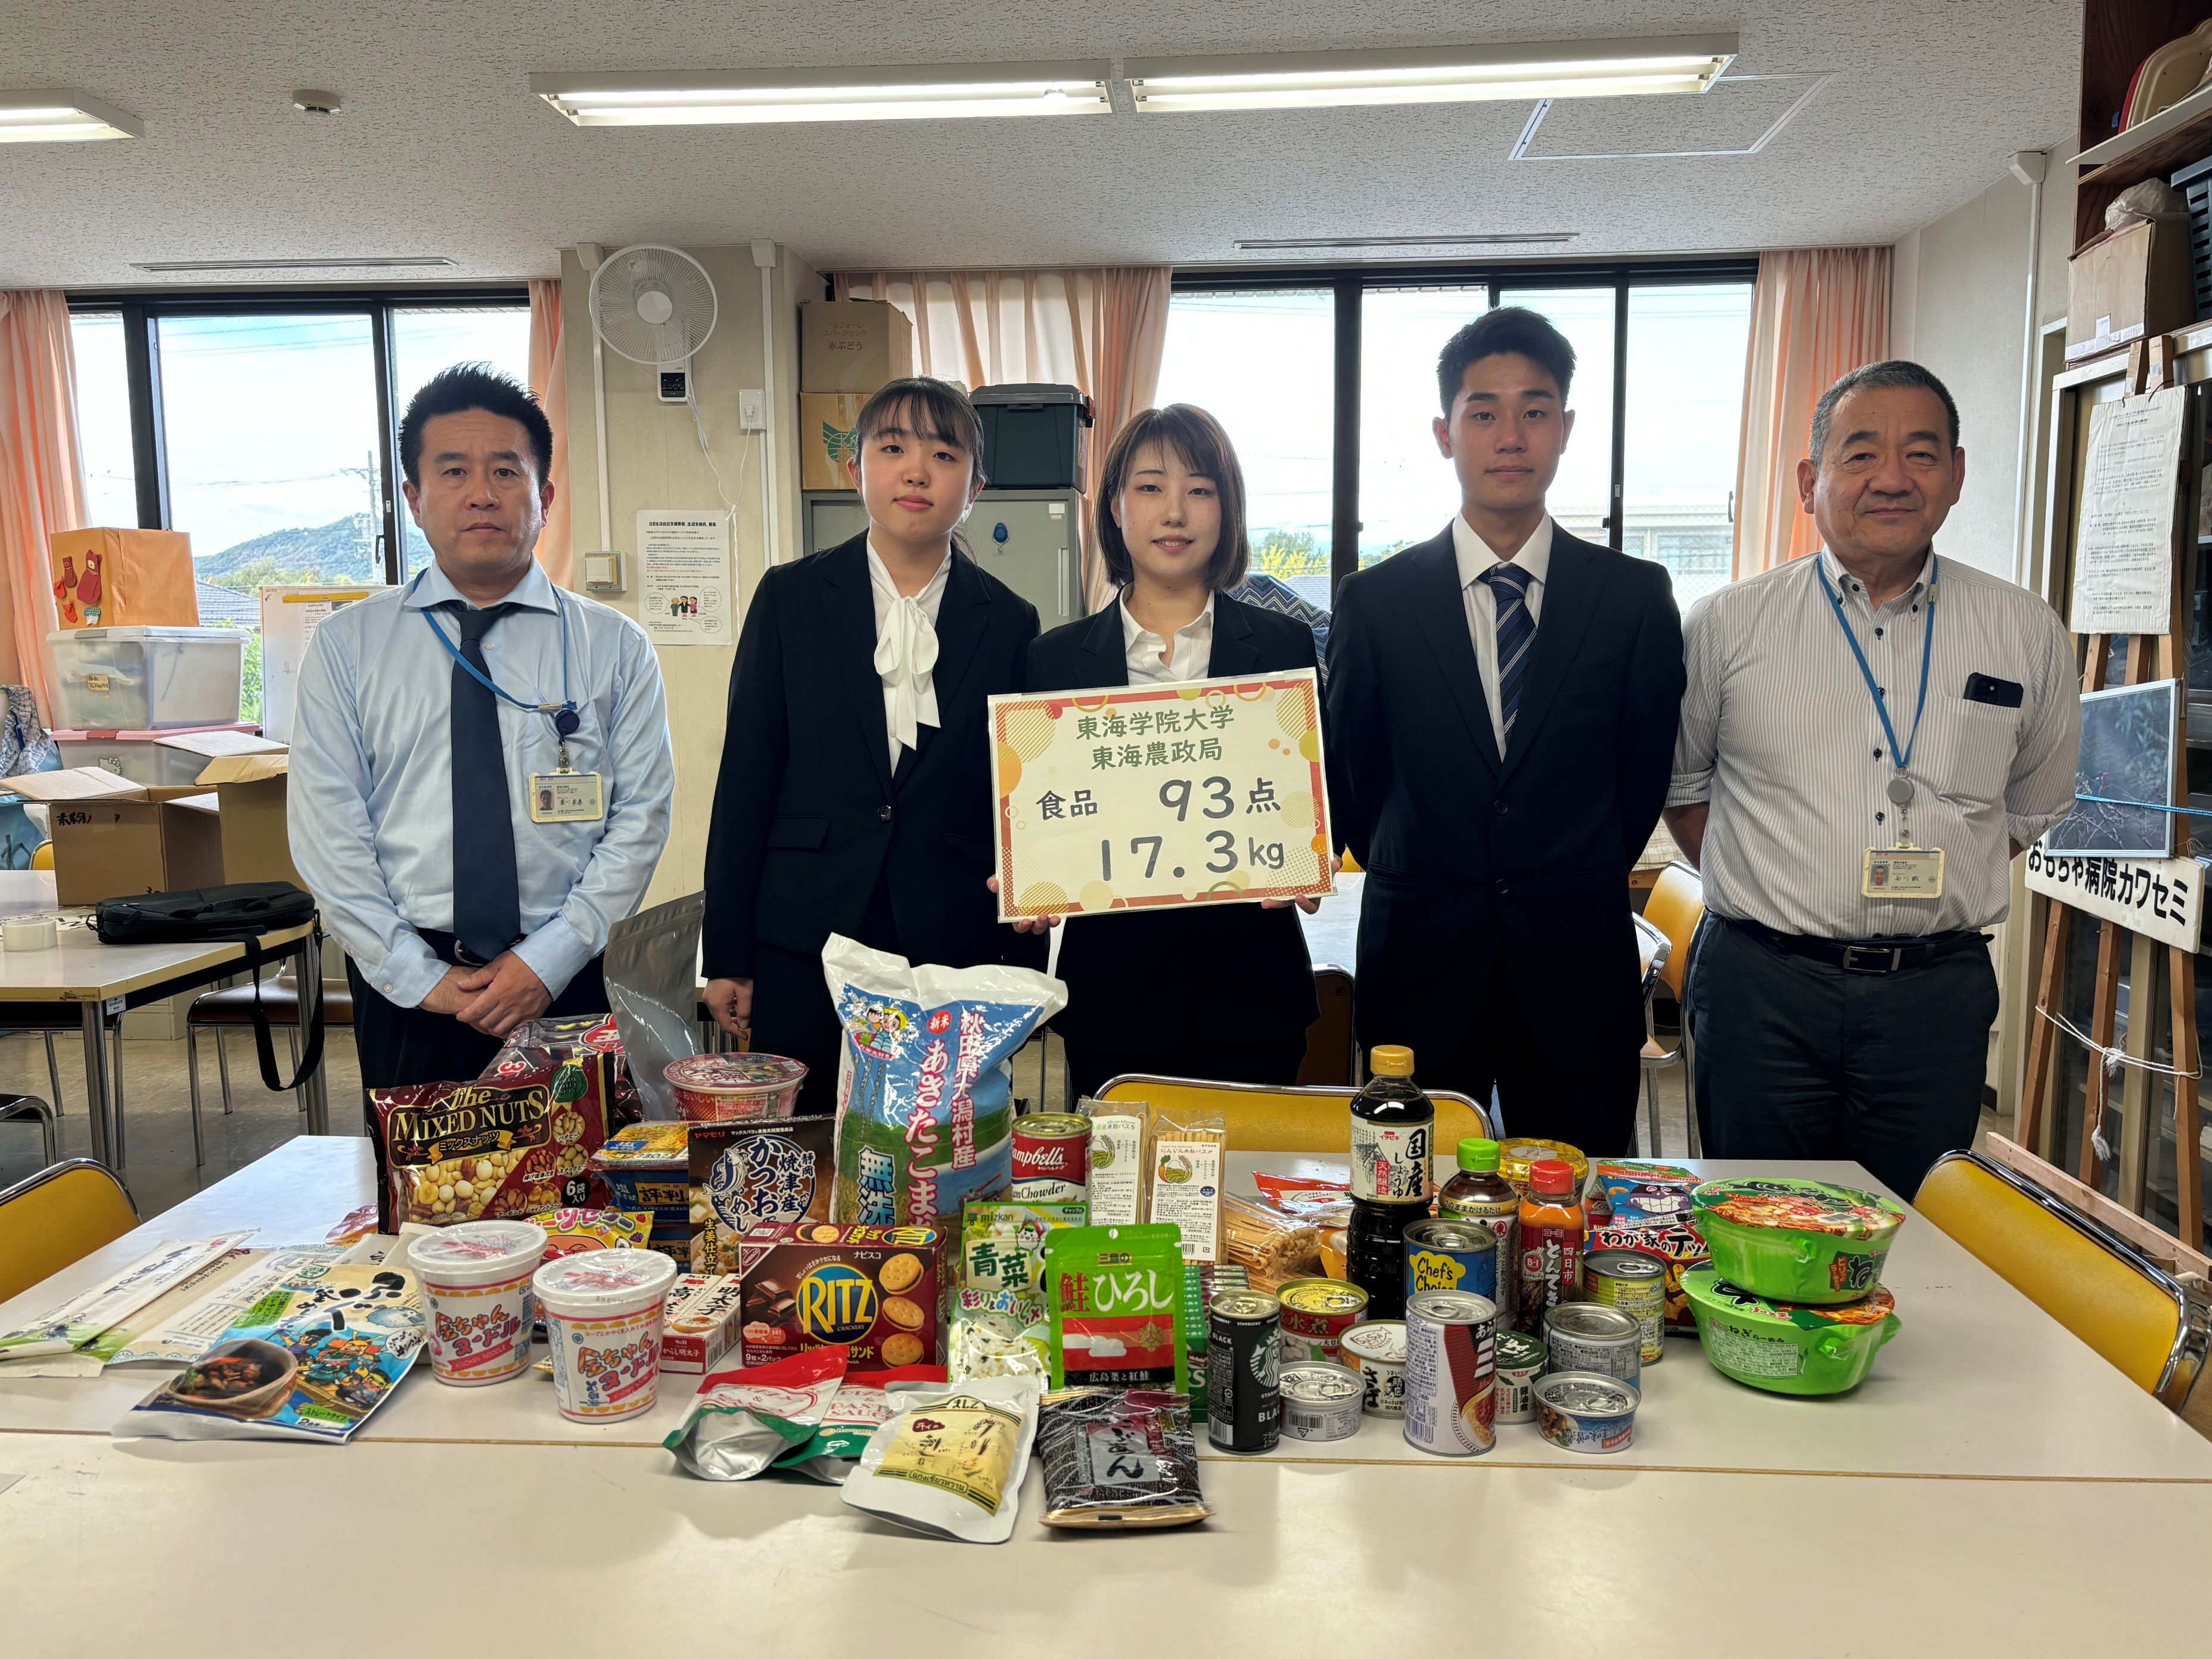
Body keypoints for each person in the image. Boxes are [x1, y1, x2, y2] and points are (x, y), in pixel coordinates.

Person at [1662, 359, 2079, 1200]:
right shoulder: (1727, 623)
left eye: (1921, 455)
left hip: (1934, 995)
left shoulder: (2025, 630)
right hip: (1763, 988)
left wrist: (1914, 904)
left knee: (1909, 1237)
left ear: (1956, 476)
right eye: (1861, 455)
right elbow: (1685, 786)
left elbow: (2030, 806)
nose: (1892, 478)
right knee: (1753, 1222)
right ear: (1812, 481)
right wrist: (1790, 890)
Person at [1325, 307, 1684, 1157]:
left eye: (1535, 409)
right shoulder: (1376, 603)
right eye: (1483, 413)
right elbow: (1354, 779)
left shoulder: (1633, 598)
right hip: (1418, 961)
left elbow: (1640, 779)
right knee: (1406, 1207)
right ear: (1446, 433)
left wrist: (1556, 864)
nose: (1510, 435)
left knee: (1573, 1209)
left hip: (1576, 963)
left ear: (1566, 428)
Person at [291, 364, 675, 1087]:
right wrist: (415, 975)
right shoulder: (349, 647)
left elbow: (641, 818)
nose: (481, 493)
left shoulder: (613, 646)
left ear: (544, 497)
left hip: (568, 979)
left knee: (581, 1196)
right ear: (413, 497)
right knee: (428, 1196)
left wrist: (549, 959)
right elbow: (328, 832)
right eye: (454, 471)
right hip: (410, 991)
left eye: (505, 470)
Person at [703, 377, 1043, 1114]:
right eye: (892, 448)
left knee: (942, 1143)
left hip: (951, 935)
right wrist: (727, 951)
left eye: (943, 454)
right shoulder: (789, 598)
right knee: (809, 1138)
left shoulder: (1011, 620)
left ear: (975, 486)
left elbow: (1019, 796)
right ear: (855, 470)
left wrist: (1024, 964)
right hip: (806, 933)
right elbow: (746, 782)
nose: (916, 470)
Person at [1025, 405, 1322, 1102]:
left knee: (1259, 1208)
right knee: (1122, 1204)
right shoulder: (1053, 661)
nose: (1175, 512)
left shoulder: (1281, 648)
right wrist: (1028, 873)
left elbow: (1311, 788)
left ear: (1226, 510)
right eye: (1151, 487)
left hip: (1254, 992)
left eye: (1200, 489)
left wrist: (1306, 853)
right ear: (1116, 509)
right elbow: (1043, 808)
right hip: (1115, 1000)